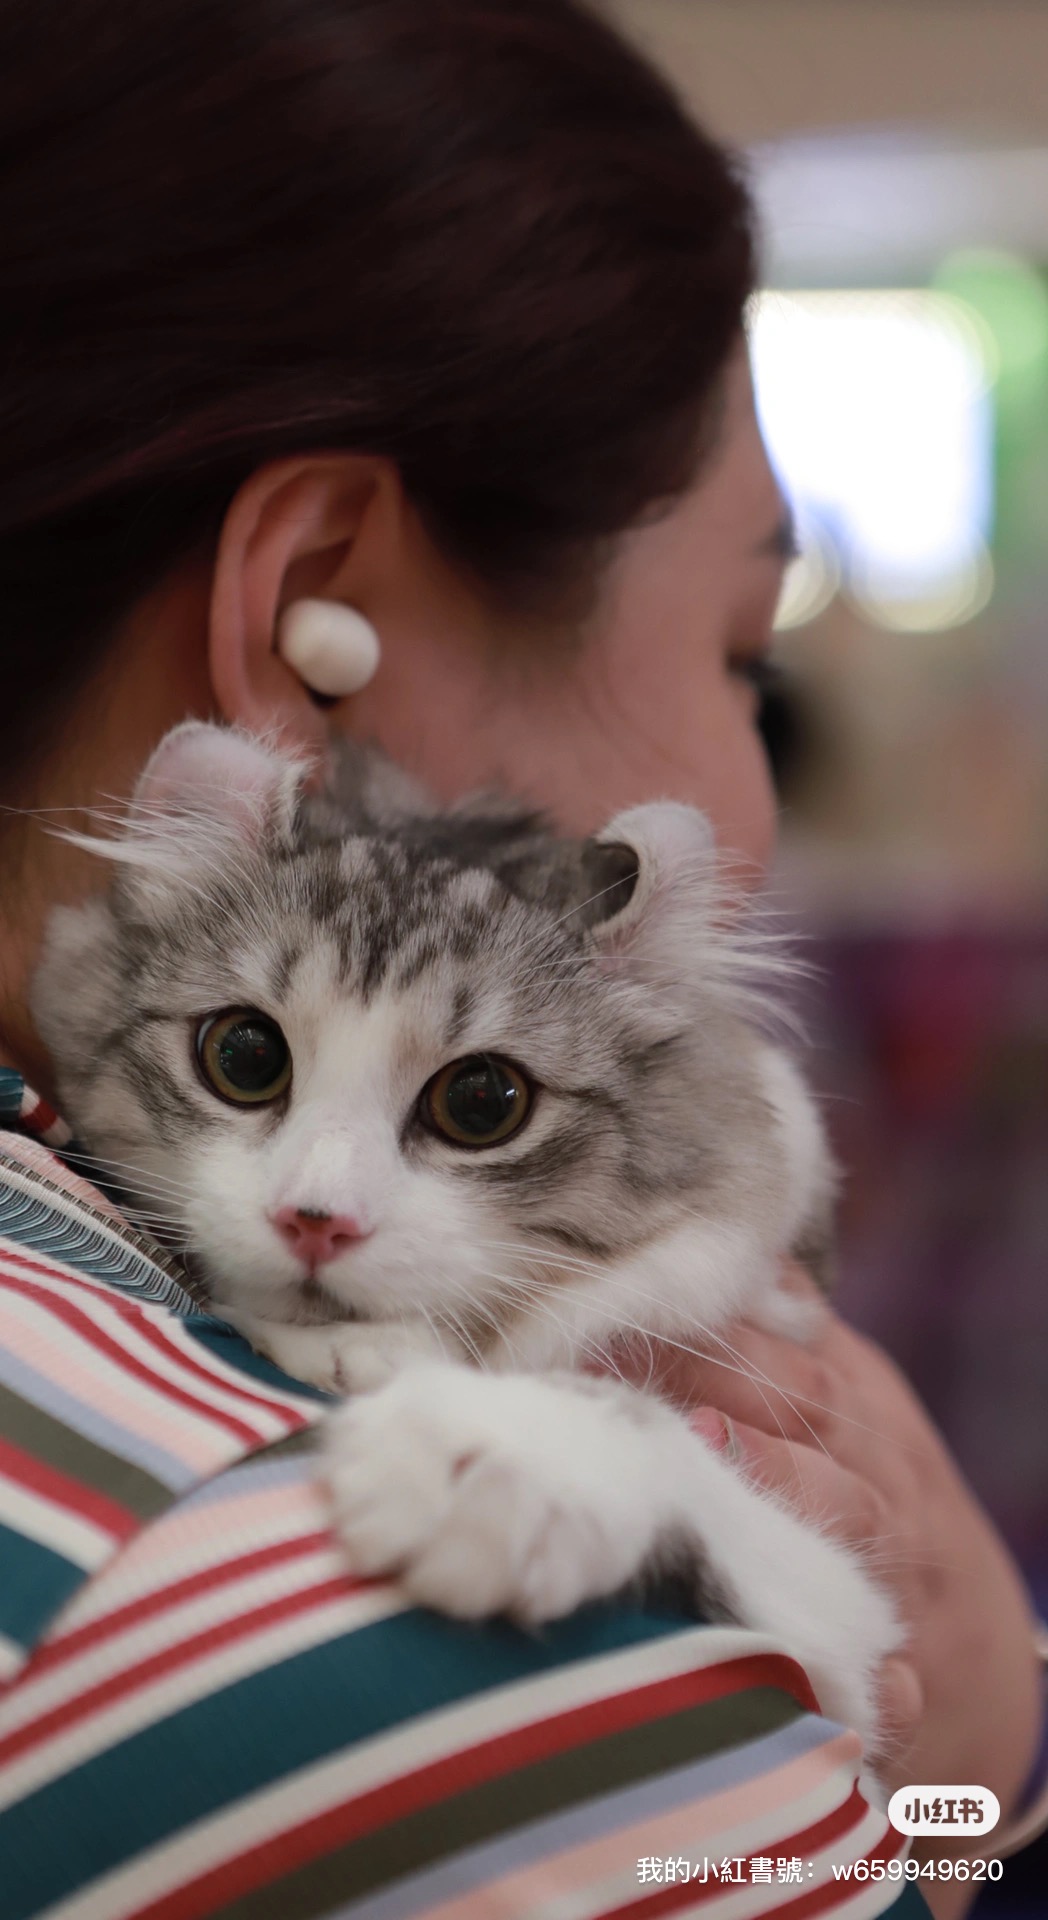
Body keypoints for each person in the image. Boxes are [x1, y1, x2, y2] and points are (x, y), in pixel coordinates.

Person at [0, 2, 1043, 1914]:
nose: (757, 799)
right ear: (318, 617)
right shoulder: (417, 1659)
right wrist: (978, 1773)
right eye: (742, 653)